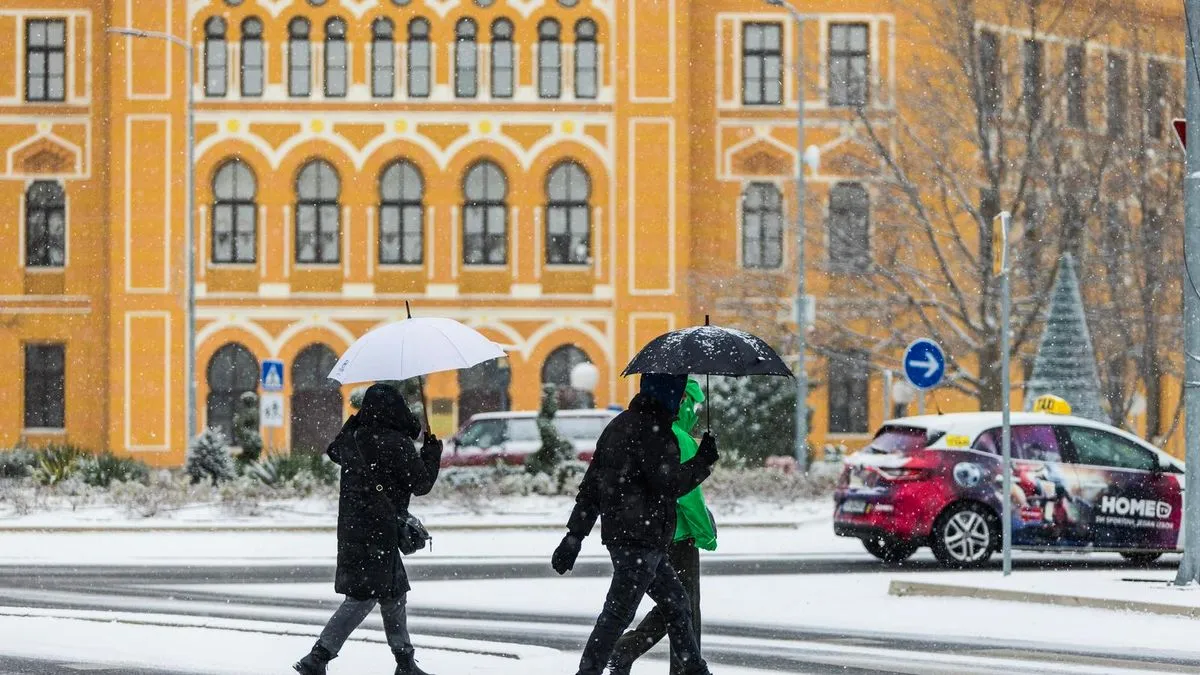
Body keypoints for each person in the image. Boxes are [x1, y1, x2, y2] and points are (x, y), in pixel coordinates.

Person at [552, 373, 719, 675]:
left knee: (677, 604)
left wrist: (574, 535)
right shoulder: (654, 431)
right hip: (641, 538)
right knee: (618, 613)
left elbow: (592, 485)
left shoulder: (619, 426)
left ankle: (695, 669)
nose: (681, 402)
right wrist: (702, 462)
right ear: (666, 392)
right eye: (679, 395)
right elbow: (669, 483)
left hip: (634, 538)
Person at [294, 383, 443, 675]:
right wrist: (432, 452)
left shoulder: (354, 438)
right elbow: (421, 483)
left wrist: (359, 418)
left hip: (356, 531)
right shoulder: (394, 443)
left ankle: (405, 662)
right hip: (379, 533)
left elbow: (334, 448)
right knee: (362, 598)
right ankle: (318, 657)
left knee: (394, 594)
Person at [608, 378, 718, 675]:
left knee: (671, 603)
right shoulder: (679, 437)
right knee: (683, 606)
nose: (696, 411)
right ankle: (636, 653)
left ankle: (625, 650)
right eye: (693, 404)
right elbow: (688, 497)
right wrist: (706, 534)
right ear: (681, 400)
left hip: (654, 533)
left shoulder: (650, 432)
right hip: (680, 536)